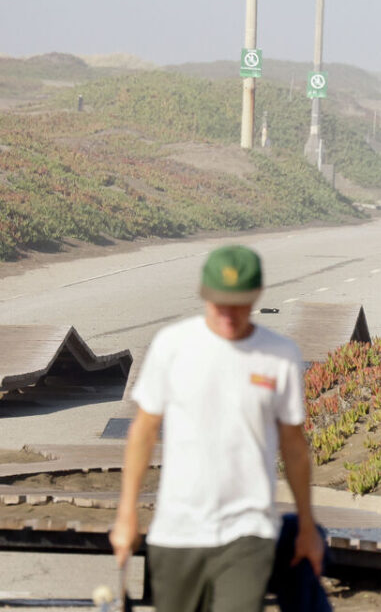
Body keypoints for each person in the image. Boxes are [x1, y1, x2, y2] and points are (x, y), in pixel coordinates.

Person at [110, 245, 323, 609]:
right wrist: (126, 514)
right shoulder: (172, 346)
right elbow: (143, 432)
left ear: (256, 295)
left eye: (240, 303)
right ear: (203, 294)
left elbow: (294, 446)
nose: (229, 313)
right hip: (177, 532)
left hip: (248, 532)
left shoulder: (279, 355)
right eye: (219, 302)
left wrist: (307, 524)